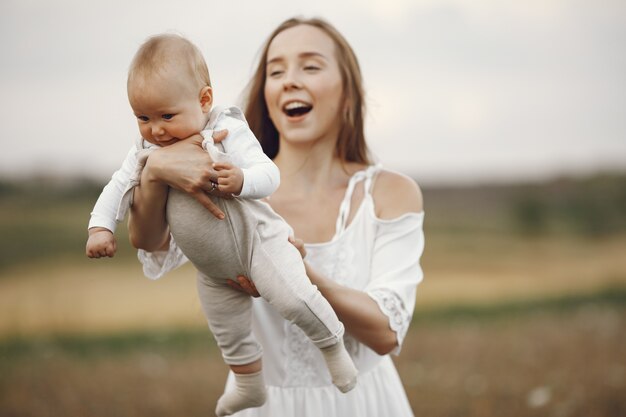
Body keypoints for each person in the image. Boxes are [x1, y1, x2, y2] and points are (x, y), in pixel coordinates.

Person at [128, 18, 425, 417]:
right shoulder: (223, 177)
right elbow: (147, 241)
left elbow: (387, 333)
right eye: (276, 70)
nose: (290, 81)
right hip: (261, 404)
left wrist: (302, 273)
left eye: (311, 66)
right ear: (266, 93)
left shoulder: (390, 192)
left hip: (363, 403)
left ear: (348, 93)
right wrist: (155, 170)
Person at [85, 33, 357, 417]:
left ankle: (332, 345)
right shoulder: (146, 151)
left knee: (294, 298)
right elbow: (118, 186)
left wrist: (242, 181)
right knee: (227, 330)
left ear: (204, 101)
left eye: (166, 116)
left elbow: (268, 174)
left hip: (259, 244)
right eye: (142, 118)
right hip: (212, 269)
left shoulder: (225, 129)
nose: (156, 130)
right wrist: (100, 227)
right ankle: (248, 384)